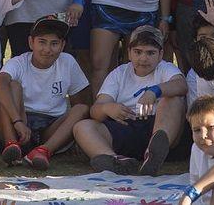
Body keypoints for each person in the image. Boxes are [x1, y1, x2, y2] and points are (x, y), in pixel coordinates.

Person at [73, 25, 186, 176]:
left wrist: (154, 91)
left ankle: (155, 153)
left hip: (158, 125)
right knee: (82, 126)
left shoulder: (166, 68)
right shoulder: (119, 73)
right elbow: (95, 110)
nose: (143, 58)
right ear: (129, 53)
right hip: (126, 124)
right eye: (138, 52)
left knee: (173, 99)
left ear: (160, 55)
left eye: (150, 53)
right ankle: (116, 160)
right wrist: (107, 108)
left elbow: (181, 85)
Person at [0, 15, 90, 170]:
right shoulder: (19, 62)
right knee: (12, 86)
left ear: (62, 45)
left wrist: (74, 134)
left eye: (54, 43)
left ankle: (43, 151)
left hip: (51, 126)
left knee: (82, 109)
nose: (47, 49)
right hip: (20, 119)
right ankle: (12, 145)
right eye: (42, 42)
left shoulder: (68, 62)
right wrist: (17, 121)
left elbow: (79, 100)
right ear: (31, 42)